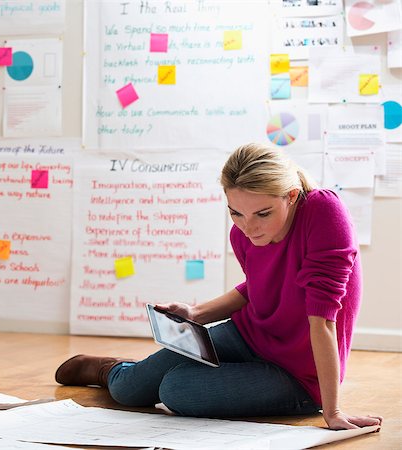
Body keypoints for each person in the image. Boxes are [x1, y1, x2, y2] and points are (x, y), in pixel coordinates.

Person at [55, 143, 383, 430]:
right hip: (250, 336)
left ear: (291, 196)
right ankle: (114, 369)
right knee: (128, 390)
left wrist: (333, 410)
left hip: (297, 374)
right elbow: (258, 289)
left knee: (175, 390)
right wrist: (197, 313)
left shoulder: (324, 212)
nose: (248, 226)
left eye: (262, 213)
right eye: (235, 213)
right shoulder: (243, 234)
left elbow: (323, 320)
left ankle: (167, 373)